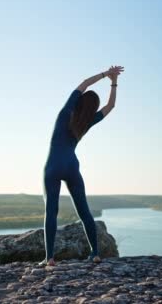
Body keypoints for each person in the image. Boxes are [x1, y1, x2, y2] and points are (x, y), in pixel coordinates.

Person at [40, 65, 124, 267]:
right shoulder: (86, 122)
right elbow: (110, 106)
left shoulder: (65, 113)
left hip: (53, 165)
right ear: (91, 108)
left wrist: (105, 74)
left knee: (51, 211)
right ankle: (95, 253)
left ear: (79, 102)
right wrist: (114, 82)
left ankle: (49, 258)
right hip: (72, 166)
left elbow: (84, 84)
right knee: (84, 212)